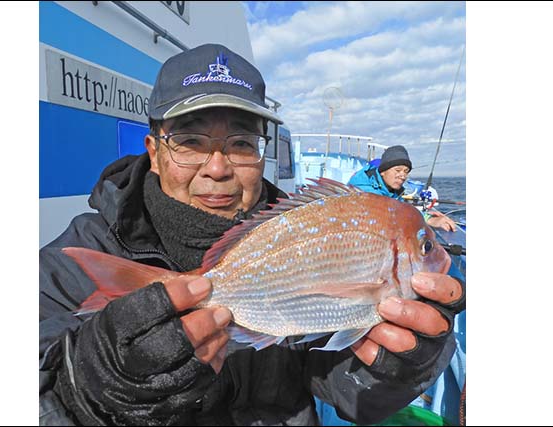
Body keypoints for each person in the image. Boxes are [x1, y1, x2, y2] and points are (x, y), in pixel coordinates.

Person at [39, 43, 466, 426]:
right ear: (154, 152)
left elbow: (354, 398)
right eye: (190, 142)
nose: (219, 167)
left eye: (242, 144)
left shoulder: (287, 229)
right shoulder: (72, 259)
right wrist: (83, 389)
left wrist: (407, 364)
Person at [348, 145, 458, 231]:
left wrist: (426, 216)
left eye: (406, 172)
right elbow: (392, 213)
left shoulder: (391, 189)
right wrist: (430, 221)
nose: (403, 176)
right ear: (383, 172)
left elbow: (401, 208)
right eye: (398, 170)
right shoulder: (365, 190)